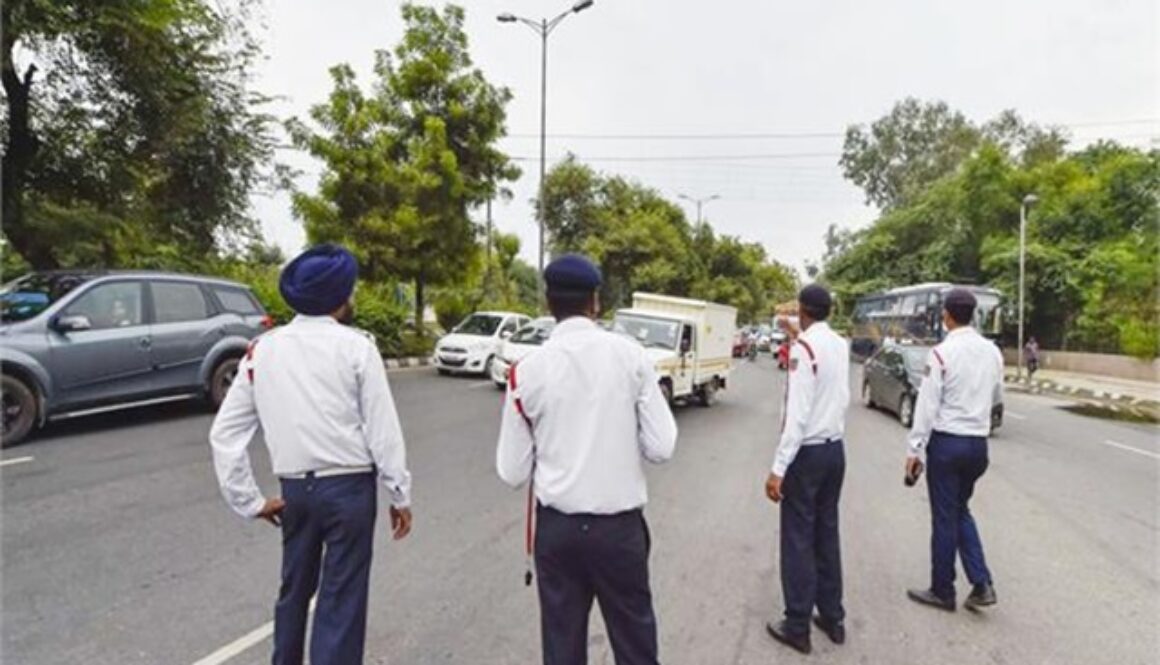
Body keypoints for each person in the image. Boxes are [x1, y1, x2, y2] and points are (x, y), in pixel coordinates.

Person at [209, 244, 413, 665]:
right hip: (350, 491)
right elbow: (382, 430)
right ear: (339, 298)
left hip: (295, 493)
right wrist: (399, 494)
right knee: (341, 600)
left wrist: (250, 502)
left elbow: (225, 434)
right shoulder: (357, 348)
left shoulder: (261, 351)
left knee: (294, 591)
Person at [496, 254, 678, 665]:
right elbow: (662, 446)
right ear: (595, 302)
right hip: (619, 532)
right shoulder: (632, 358)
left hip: (558, 533)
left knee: (562, 645)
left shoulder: (526, 371)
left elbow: (511, 471)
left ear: (548, 303)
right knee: (635, 643)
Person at [904, 288, 1003, 612]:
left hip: (948, 443)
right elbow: (995, 394)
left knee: (945, 517)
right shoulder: (992, 352)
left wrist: (914, 449)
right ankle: (981, 583)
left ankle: (942, 590)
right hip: (978, 445)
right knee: (960, 510)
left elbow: (927, 405)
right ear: (973, 314)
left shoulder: (942, 352)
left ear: (946, 315)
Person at [764, 284, 850, 655]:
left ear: (802, 310)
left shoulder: (803, 349)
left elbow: (797, 417)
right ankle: (832, 616)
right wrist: (797, 333)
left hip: (807, 455)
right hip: (834, 451)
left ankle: (797, 624)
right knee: (826, 533)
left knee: (798, 539)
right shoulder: (838, 344)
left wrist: (778, 468)